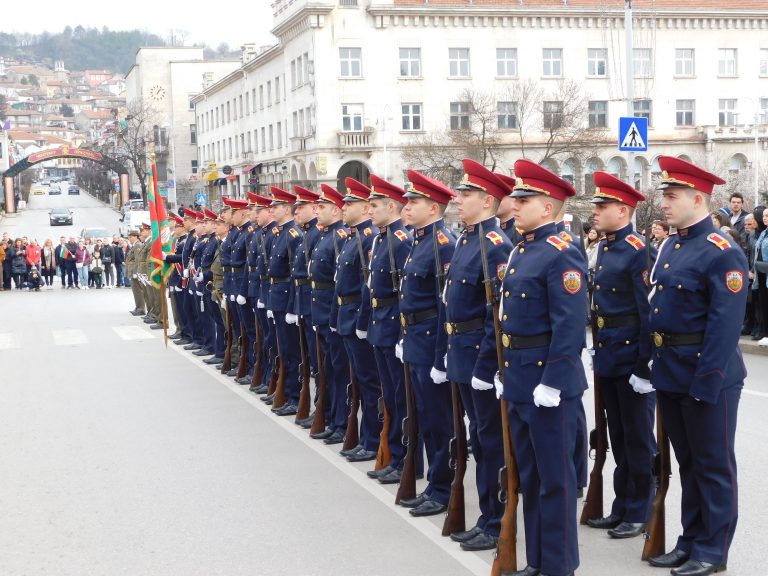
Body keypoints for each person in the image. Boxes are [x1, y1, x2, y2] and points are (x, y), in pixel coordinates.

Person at [646, 156, 747, 576]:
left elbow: (724, 329)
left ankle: (713, 549)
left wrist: (705, 383)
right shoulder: (672, 244)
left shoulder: (723, 251)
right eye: (664, 196)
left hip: (708, 376)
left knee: (713, 465)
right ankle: (689, 540)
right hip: (671, 371)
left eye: (671, 196)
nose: (664, 204)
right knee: (687, 464)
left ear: (698, 198)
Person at [497, 158, 587, 576]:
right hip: (519, 378)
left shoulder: (561, 254)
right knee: (529, 478)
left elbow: (569, 327)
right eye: (515, 198)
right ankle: (537, 560)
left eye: (524, 199)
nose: (514, 205)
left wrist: (551, 381)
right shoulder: (521, 249)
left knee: (556, 481)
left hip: (548, 385)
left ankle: (558, 565)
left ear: (547, 207)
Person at [438, 158, 514, 552]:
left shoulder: (495, 246)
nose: (458, 199)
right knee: (479, 440)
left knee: (490, 442)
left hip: (479, 359)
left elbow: (495, 315)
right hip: (460, 354)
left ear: (487, 201)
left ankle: (496, 519)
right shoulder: (468, 240)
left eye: (466, 194)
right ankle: (486, 515)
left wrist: (487, 365)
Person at [584, 172, 656, 540]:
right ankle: (621, 505)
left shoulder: (638, 250)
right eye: (595, 205)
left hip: (631, 358)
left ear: (623, 210)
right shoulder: (608, 247)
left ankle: (639, 509)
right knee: (617, 436)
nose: (595, 211)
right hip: (609, 353)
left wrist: (644, 367)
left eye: (603, 206)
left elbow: (648, 315)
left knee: (637, 437)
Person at [396, 170, 456, 514]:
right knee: (425, 416)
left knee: (439, 420)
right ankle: (435, 483)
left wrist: (439, 358)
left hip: (431, 341)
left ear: (433, 208)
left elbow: (442, 305)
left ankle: (443, 488)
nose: (408, 206)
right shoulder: (419, 241)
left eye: (414, 201)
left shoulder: (442, 245)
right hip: (415, 340)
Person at [363, 174, 412, 482]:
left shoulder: (399, 241)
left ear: (391, 206)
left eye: (375, 204)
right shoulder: (381, 238)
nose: (370, 210)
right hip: (380, 324)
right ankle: (394, 453)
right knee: (390, 396)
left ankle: (405, 457)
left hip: (394, 326)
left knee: (400, 397)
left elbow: (404, 293)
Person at [332, 177, 381, 462]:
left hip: (358, 316)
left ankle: (373, 440)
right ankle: (366, 437)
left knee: (369, 383)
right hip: (346, 315)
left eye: (350, 203)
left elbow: (367, 286)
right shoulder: (354, 237)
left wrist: (362, 323)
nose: (344, 206)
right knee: (359, 380)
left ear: (364, 209)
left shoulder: (367, 238)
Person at [307, 184, 351, 444]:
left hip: (331, 310)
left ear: (335, 210)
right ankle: (334, 419)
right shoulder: (325, 235)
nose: (316, 210)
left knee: (338, 370)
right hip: (321, 310)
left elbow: (339, 282)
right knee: (328, 369)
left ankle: (341, 422)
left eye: (322, 207)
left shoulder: (340, 236)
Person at [754, 207, 768, 346]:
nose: (765, 218)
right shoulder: (764, 233)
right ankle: (765, 333)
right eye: (764, 215)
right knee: (763, 302)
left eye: (767, 215)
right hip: (762, 272)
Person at [125, 230, 145, 315]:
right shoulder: (134, 246)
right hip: (132, 271)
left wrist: (136, 272)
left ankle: (140, 309)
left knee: (138, 291)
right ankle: (138, 307)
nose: (129, 239)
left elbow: (138, 260)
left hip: (135, 272)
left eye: (131, 237)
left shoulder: (137, 246)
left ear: (136, 237)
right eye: (129, 237)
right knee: (135, 291)